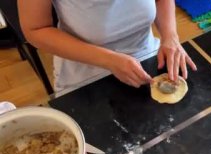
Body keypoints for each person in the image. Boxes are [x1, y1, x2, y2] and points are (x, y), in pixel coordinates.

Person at [18, 0, 197, 91]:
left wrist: (170, 36)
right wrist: (109, 60)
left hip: (147, 56)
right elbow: (35, 29)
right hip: (86, 74)